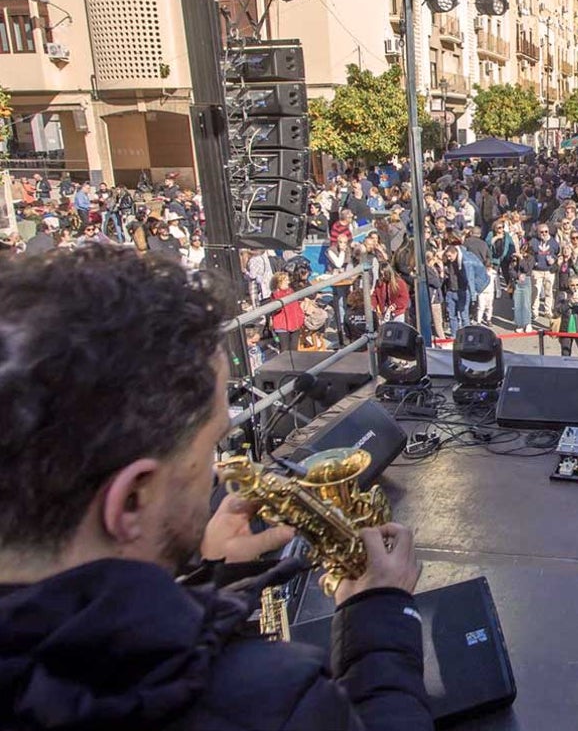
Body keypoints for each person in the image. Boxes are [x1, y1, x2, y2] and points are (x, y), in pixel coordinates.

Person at [0, 246, 432, 731]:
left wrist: (213, 580)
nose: (213, 473)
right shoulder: (275, 703)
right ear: (133, 499)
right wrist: (378, 619)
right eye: (208, 446)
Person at [553, 278, 578, 357]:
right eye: (572, 285)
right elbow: (557, 311)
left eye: (577, 285)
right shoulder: (562, 295)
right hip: (566, 329)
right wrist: (569, 303)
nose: (575, 287)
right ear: (569, 285)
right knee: (565, 354)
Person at [269, 271, 305, 352]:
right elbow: (275, 309)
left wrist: (300, 317)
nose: (288, 282)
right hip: (282, 325)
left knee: (294, 349)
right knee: (284, 349)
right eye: (285, 281)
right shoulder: (275, 295)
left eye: (288, 280)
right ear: (278, 283)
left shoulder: (291, 291)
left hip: (295, 323)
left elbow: (296, 307)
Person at [530, 223, 559, 319]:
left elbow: (557, 252)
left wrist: (554, 259)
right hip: (536, 271)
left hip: (549, 271)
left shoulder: (553, 242)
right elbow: (529, 254)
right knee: (536, 292)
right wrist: (534, 263)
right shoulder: (533, 241)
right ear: (537, 232)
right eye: (541, 232)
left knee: (549, 292)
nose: (544, 233)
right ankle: (534, 311)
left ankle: (548, 311)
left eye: (546, 231)